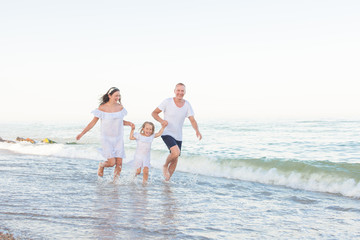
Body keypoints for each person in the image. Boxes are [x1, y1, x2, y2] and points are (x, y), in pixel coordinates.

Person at [76, 87, 134, 181]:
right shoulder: (102, 108)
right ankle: (101, 165)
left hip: (118, 138)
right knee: (111, 163)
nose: (118, 97)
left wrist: (129, 124)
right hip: (106, 139)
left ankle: (116, 183)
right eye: (116, 95)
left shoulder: (120, 108)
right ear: (109, 96)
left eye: (119, 96)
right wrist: (82, 133)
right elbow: (92, 123)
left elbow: (119, 121)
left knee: (119, 163)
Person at [152, 83, 202, 181]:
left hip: (178, 135)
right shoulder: (167, 101)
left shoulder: (187, 104)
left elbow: (192, 119)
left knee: (175, 160)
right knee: (175, 152)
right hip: (166, 132)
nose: (180, 93)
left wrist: (197, 130)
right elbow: (154, 113)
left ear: (185, 92)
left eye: (182, 91)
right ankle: (165, 165)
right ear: (174, 91)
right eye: (178, 90)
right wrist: (161, 121)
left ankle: (166, 181)